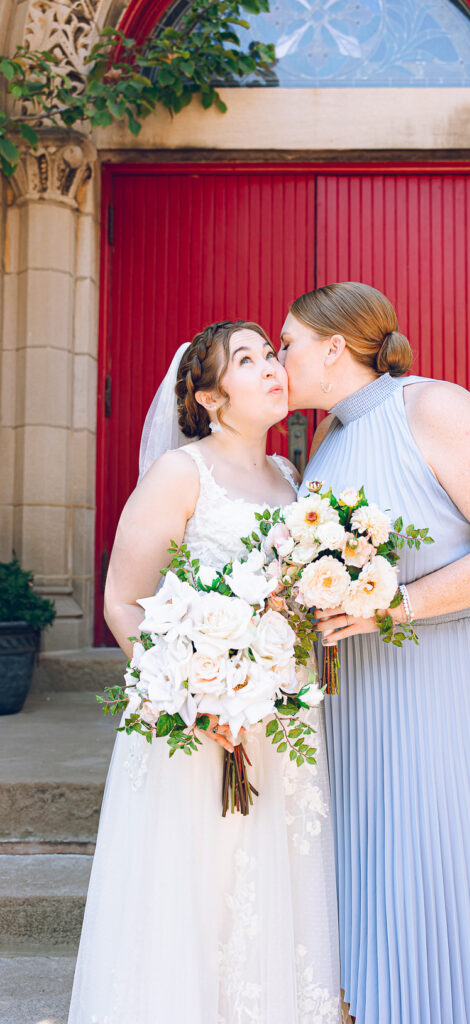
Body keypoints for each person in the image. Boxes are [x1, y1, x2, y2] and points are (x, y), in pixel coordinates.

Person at [278, 283, 470, 1024]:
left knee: (455, 863)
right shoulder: (326, 444)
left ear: (334, 347)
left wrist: (393, 607)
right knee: (379, 871)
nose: (280, 361)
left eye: (288, 345)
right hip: (359, 699)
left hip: (448, 684)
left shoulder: (431, 408)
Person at [68, 321, 341, 1024]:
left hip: (279, 718)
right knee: (195, 884)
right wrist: (195, 694)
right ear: (212, 398)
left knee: (271, 884)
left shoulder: (290, 476)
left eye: (270, 354)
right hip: (195, 724)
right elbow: (122, 603)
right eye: (246, 360)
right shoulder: (180, 473)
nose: (272, 366)